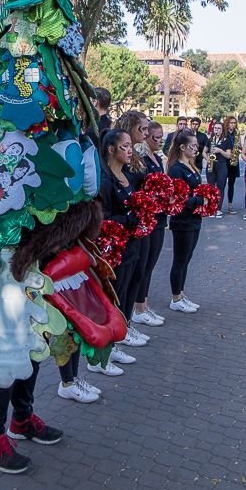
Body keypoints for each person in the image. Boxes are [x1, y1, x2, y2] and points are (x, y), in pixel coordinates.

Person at [100, 128, 148, 367]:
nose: (130, 150)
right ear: (111, 149)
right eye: (124, 146)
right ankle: (101, 355)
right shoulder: (105, 180)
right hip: (115, 252)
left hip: (131, 247)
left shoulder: (128, 175)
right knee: (112, 301)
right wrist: (130, 219)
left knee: (125, 296)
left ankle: (116, 342)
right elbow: (104, 220)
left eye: (131, 145)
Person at [132, 121, 167, 326]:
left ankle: (144, 304)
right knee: (144, 265)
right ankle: (138, 307)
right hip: (150, 215)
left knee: (151, 263)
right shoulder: (143, 159)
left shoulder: (157, 158)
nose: (159, 141)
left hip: (160, 215)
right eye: (155, 137)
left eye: (161, 137)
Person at [167, 130, 206, 313]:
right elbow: (178, 199)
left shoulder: (190, 165)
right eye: (192, 146)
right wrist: (199, 201)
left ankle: (181, 294)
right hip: (182, 221)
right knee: (180, 260)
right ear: (182, 147)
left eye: (197, 146)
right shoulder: (176, 169)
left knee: (187, 259)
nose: (196, 149)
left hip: (194, 219)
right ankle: (176, 298)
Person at [205, 121, 232, 218]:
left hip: (222, 165)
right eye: (215, 128)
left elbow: (229, 155)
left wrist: (220, 150)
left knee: (220, 188)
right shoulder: (210, 139)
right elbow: (204, 152)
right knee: (211, 188)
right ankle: (211, 208)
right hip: (212, 165)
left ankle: (218, 208)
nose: (217, 130)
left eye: (219, 128)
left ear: (222, 130)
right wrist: (207, 158)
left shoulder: (227, 141)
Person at [223, 116, 241, 214]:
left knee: (231, 184)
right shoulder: (224, 133)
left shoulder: (236, 133)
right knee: (222, 184)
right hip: (225, 160)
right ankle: (219, 205)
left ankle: (230, 205)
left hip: (234, 160)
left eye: (234, 123)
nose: (233, 125)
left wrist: (239, 147)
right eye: (231, 123)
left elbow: (241, 148)